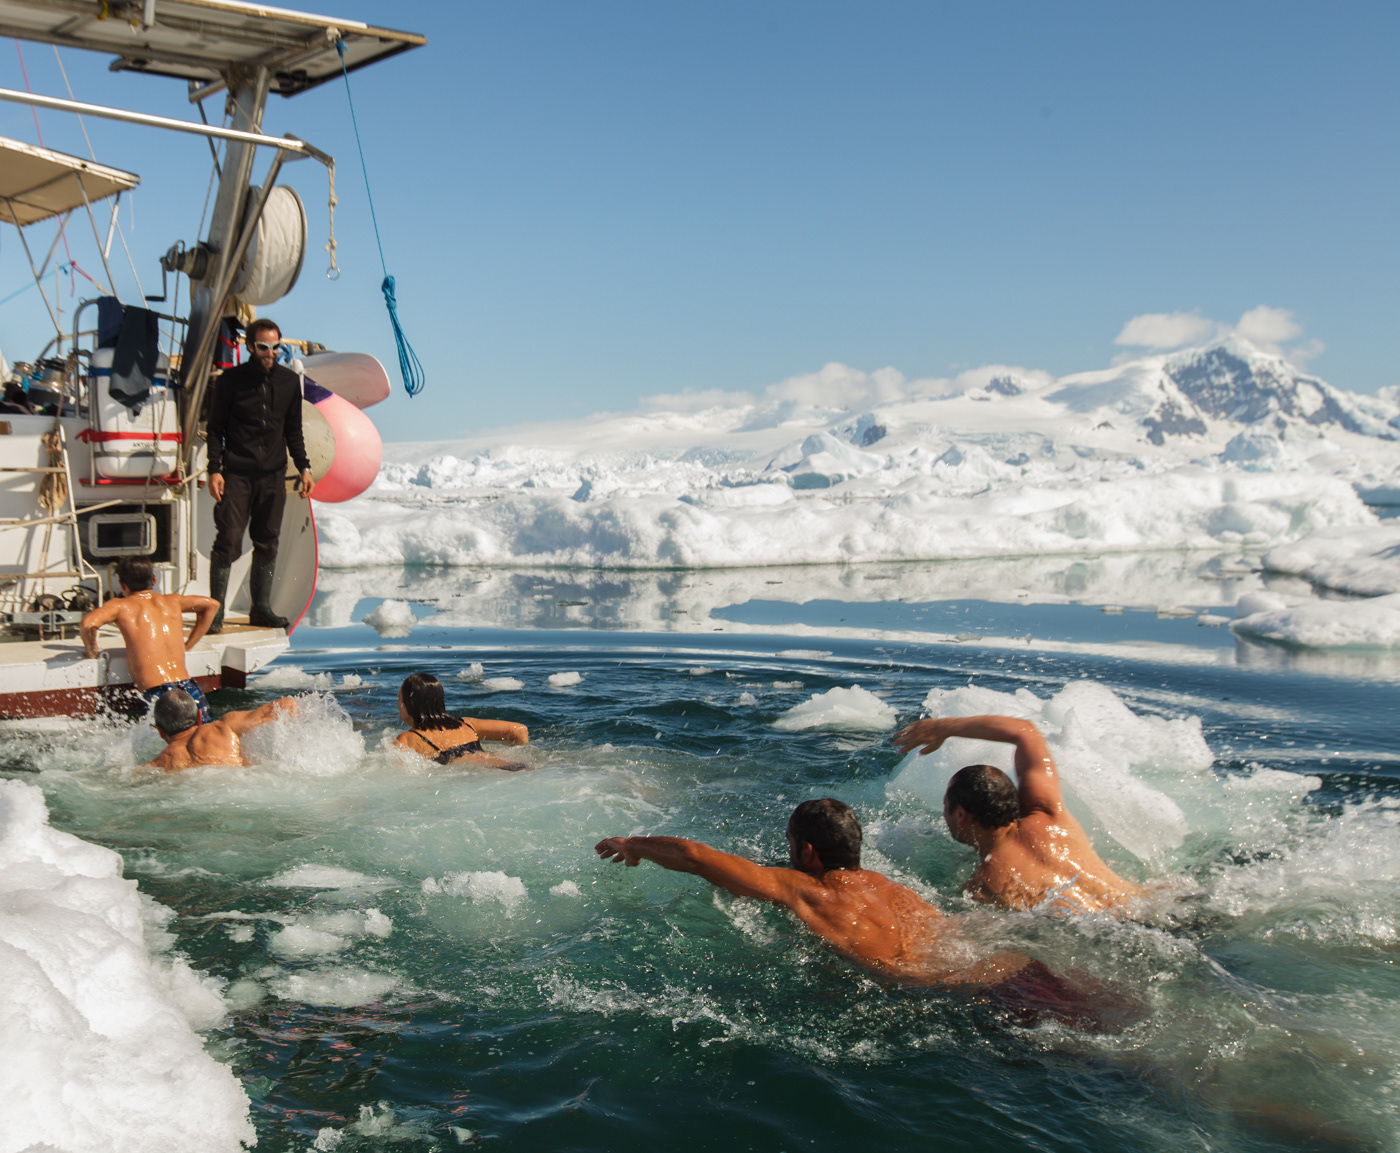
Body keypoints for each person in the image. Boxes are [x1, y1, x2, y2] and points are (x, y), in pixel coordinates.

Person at [596, 798, 1053, 993]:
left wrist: (632, 845)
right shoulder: (891, 886)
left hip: (946, 996)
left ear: (806, 850)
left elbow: (696, 856)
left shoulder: (806, 889)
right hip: (1011, 970)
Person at [892, 715, 1138, 912]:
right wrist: (943, 727)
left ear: (960, 815)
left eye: (946, 806)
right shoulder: (1049, 814)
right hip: (1141, 907)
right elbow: (1024, 731)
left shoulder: (984, 888)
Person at [204, 316, 314, 633]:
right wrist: (215, 469)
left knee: (268, 542)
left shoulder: (289, 382)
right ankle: (215, 612)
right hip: (236, 474)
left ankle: (261, 609)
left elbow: (294, 431)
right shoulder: (230, 381)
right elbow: (215, 430)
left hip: (272, 477)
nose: (270, 353)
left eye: (275, 347)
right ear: (250, 346)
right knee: (228, 541)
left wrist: (304, 466)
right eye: (263, 347)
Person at [80, 555, 220, 722]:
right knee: (204, 737)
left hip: (158, 693)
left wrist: (92, 652)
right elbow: (212, 605)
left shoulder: (120, 606)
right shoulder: (173, 600)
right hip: (188, 687)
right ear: (154, 580)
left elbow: (88, 624)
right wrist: (188, 644)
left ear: (122, 585)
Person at [394, 672, 530, 769]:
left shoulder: (408, 739)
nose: (398, 704)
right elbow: (520, 731)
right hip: (517, 768)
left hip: (487, 779)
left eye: (399, 698)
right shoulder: (467, 724)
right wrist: (509, 753)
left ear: (410, 704)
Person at [147, 688, 298, 771]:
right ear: (200, 716)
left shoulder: (158, 765)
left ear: (160, 730)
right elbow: (287, 705)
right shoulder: (225, 727)